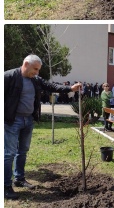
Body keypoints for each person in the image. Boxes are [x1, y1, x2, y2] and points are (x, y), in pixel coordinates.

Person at [5, 55, 82, 199]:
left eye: (38, 70)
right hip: (12, 121)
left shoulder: (35, 80)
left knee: (23, 151)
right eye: (35, 69)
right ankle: (5, 186)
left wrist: (70, 88)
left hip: (28, 120)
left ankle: (19, 179)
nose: (37, 72)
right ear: (26, 64)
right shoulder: (9, 77)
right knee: (9, 153)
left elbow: (52, 86)